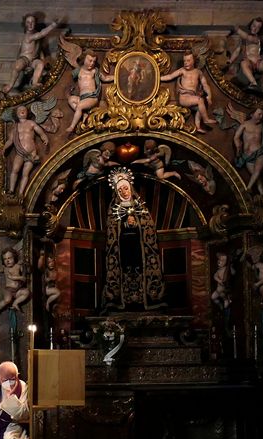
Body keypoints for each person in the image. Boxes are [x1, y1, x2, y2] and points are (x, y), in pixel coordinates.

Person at [102, 167, 166, 312]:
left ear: (130, 187)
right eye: (120, 190)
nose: (124, 192)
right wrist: (124, 224)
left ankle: (149, 299)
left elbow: (149, 227)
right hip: (123, 250)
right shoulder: (114, 209)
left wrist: (137, 224)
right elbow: (111, 231)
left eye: (126, 188)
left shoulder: (140, 206)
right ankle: (119, 301)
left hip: (140, 249)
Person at [160, 50, 217, 133]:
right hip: (184, 97)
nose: (186, 63)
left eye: (188, 60)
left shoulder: (198, 72)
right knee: (200, 100)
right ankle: (206, 119)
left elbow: (205, 85)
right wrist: (159, 78)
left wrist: (209, 95)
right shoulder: (182, 70)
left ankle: (197, 127)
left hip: (192, 97)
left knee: (200, 108)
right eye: (184, 61)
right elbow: (170, 76)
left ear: (194, 60)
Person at [2, 14, 59, 94]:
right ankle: (10, 85)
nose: (30, 24)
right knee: (17, 66)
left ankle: (34, 83)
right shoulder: (28, 36)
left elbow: (39, 46)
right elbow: (41, 34)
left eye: (32, 22)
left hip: (33, 60)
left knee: (40, 64)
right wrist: (52, 25)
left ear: (35, 23)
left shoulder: (35, 36)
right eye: (28, 22)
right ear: (25, 24)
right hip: (24, 59)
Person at [3, 105, 49, 197]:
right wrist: (4, 148)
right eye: (20, 110)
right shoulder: (15, 127)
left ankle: (21, 192)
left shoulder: (31, 123)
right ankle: (11, 190)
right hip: (20, 152)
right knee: (15, 170)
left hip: (31, 152)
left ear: (27, 113)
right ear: (16, 113)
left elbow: (40, 132)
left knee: (25, 173)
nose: (22, 111)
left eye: (24, 110)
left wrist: (45, 138)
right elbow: (11, 140)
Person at [66, 49, 113, 133]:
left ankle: (72, 126)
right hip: (82, 98)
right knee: (71, 99)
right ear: (84, 59)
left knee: (79, 106)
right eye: (90, 60)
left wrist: (116, 75)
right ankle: (83, 113)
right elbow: (71, 73)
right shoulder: (78, 71)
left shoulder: (94, 71)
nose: (92, 63)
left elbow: (105, 78)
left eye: (94, 62)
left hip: (92, 97)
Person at [233, 107, 263, 194]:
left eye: (262, 115)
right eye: (259, 114)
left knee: (257, 172)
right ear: (252, 114)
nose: (260, 116)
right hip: (248, 156)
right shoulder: (244, 125)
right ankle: (262, 194)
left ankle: (248, 188)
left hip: (259, 154)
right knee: (256, 177)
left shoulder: (262, 127)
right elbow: (236, 137)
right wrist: (237, 144)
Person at [229, 17, 263, 95]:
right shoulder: (243, 41)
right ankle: (253, 83)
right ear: (250, 25)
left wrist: (238, 30)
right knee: (243, 64)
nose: (255, 28)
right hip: (248, 62)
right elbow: (237, 51)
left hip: (258, 62)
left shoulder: (256, 39)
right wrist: (230, 60)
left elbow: (247, 37)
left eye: (258, 27)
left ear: (260, 29)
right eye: (254, 25)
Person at [0, 248, 31, 317]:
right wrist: (19, 278)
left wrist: (25, 265)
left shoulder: (18, 266)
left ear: (14, 257)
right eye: (5, 259)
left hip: (18, 290)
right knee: (7, 300)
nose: (7, 261)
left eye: (9, 258)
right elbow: (10, 277)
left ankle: (16, 303)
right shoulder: (6, 268)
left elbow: (25, 275)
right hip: (9, 290)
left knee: (27, 292)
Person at [37, 248, 60, 312]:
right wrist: (41, 256)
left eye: (52, 261)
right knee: (58, 293)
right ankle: (48, 302)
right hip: (47, 288)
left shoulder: (55, 271)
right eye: (49, 262)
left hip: (53, 288)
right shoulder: (46, 270)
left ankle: (52, 307)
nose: (51, 263)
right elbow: (39, 266)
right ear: (46, 264)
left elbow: (56, 281)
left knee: (59, 296)